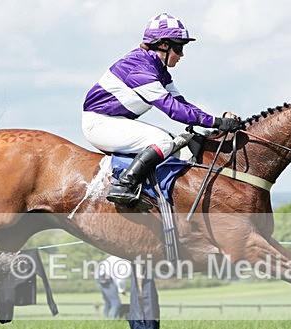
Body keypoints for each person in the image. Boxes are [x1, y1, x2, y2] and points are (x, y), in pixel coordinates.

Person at [82, 12, 242, 207]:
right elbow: (173, 110)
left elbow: (182, 103)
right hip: (100, 124)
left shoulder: (157, 69)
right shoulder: (139, 69)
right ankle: (124, 185)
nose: (182, 54)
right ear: (164, 45)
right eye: (179, 47)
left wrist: (214, 120)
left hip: (114, 121)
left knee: (173, 141)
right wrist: (216, 122)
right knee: (163, 141)